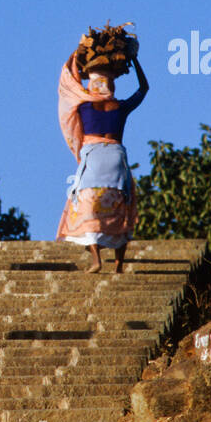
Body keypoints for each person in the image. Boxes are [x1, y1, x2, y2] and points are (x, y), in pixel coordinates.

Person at [56, 41, 148, 273]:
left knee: (89, 207)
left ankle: (96, 258)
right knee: (120, 208)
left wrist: (76, 55)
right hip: (117, 159)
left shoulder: (84, 106)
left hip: (94, 160)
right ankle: (118, 265)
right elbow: (143, 89)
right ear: (111, 85)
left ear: (92, 85)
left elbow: (68, 83)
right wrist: (134, 60)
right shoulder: (120, 106)